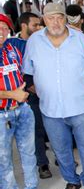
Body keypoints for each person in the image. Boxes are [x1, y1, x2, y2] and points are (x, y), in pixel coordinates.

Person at [23, 3, 84, 189]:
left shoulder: (81, 39)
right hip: (51, 110)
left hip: (81, 107)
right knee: (61, 149)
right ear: (44, 19)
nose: (55, 22)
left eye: (59, 17)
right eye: (51, 18)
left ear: (65, 18)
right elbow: (28, 73)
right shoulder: (34, 41)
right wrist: (42, 91)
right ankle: (72, 181)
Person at [0, 14, 51, 189]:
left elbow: (38, 42)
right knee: (4, 158)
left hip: (23, 110)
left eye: (4, 28)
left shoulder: (14, 47)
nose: (1, 32)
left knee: (28, 151)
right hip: (2, 113)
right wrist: (10, 94)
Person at [13, 12, 50, 179]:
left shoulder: (42, 40)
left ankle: (60, 159)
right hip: (27, 95)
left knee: (51, 127)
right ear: (23, 26)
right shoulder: (13, 44)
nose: (38, 28)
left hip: (47, 92)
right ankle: (42, 164)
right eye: (35, 25)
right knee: (37, 130)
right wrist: (32, 87)